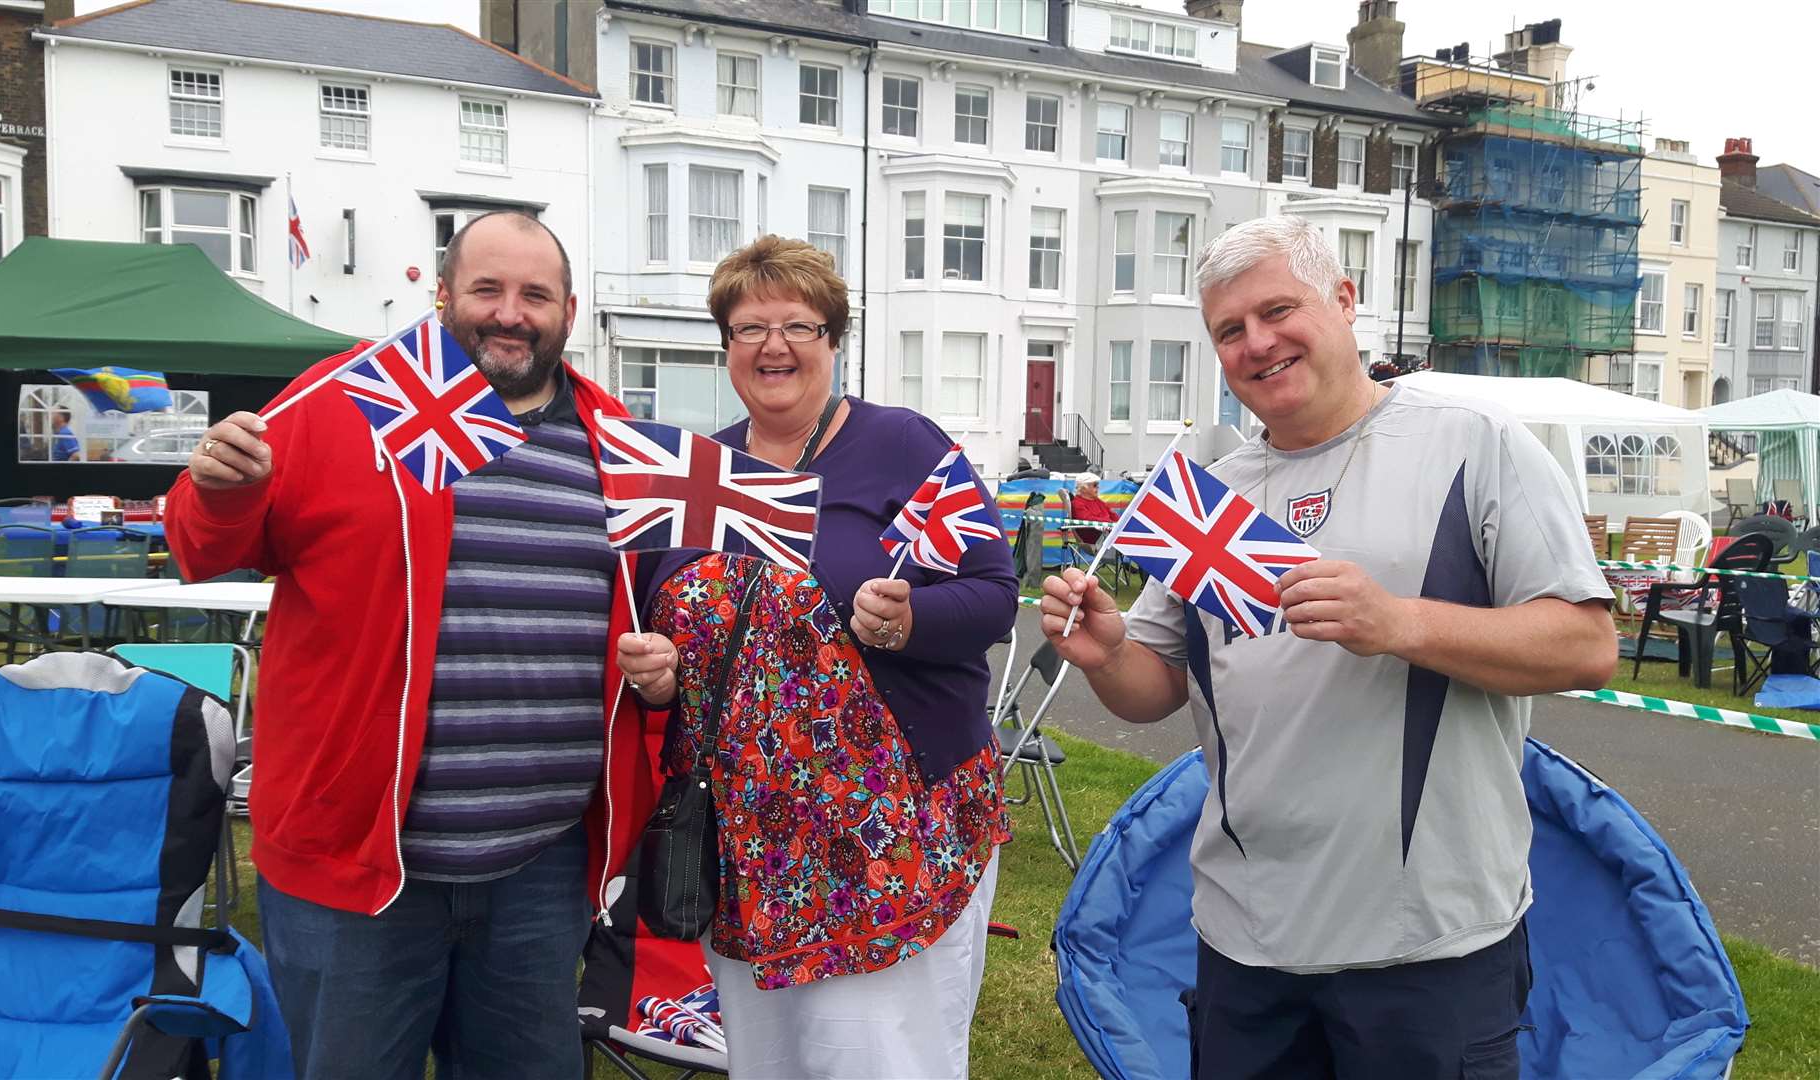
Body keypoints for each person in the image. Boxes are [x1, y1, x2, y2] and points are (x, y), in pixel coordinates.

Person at [1040, 215, 1618, 1080]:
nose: (1257, 343)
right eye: (1229, 330)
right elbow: (1153, 689)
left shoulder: (1472, 440)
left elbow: (1586, 644)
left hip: (1429, 943)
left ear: (1345, 303)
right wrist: (1106, 651)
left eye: (1279, 310)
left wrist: (1400, 623)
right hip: (1244, 936)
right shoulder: (1211, 496)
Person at [166, 211, 652, 1080]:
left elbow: (648, 617)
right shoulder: (348, 398)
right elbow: (203, 548)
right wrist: (214, 488)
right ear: (442, 295)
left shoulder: (615, 443)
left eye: (535, 295)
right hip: (354, 865)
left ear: (569, 312)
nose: (511, 313)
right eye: (488, 290)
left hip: (537, 867)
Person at [614, 235, 1017, 1079]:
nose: (774, 346)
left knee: (878, 1057)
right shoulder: (698, 474)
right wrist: (654, 680)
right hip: (744, 845)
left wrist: (908, 621)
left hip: (890, 835)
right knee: (770, 1062)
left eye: (799, 324)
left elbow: (992, 592)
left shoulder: (902, 446)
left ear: (833, 340)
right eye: (749, 327)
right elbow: (660, 635)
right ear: (725, 347)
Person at [1069, 472, 1116, 546]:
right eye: (1095, 485)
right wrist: (1110, 523)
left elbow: (1112, 514)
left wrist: (1120, 524)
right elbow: (1087, 519)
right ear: (1084, 488)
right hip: (1095, 536)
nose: (1098, 487)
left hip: (1107, 532)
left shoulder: (1097, 500)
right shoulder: (1077, 503)